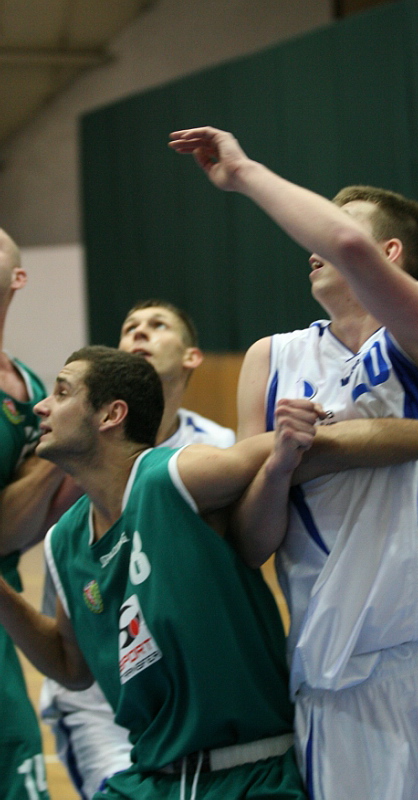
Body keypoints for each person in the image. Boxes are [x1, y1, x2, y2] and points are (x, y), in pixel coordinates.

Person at [168, 127, 418, 799]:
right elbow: (251, 541)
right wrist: (279, 466)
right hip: (333, 686)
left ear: (390, 253)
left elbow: (345, 243)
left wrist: (243, 172)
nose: (313, 243)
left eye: (336, 223)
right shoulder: (270, 359)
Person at [40, 299, 235, 800]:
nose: (139, 334)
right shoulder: (71, 450)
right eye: (129, 327)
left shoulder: (213, 447)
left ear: (192, 356)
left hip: (180, 697)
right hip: (100, 696)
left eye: (157, 325)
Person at [0, 228, 60, 800]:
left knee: (17, 755)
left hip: (6, 600)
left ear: (18, 277)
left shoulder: (32, 387)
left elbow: (16, 528)